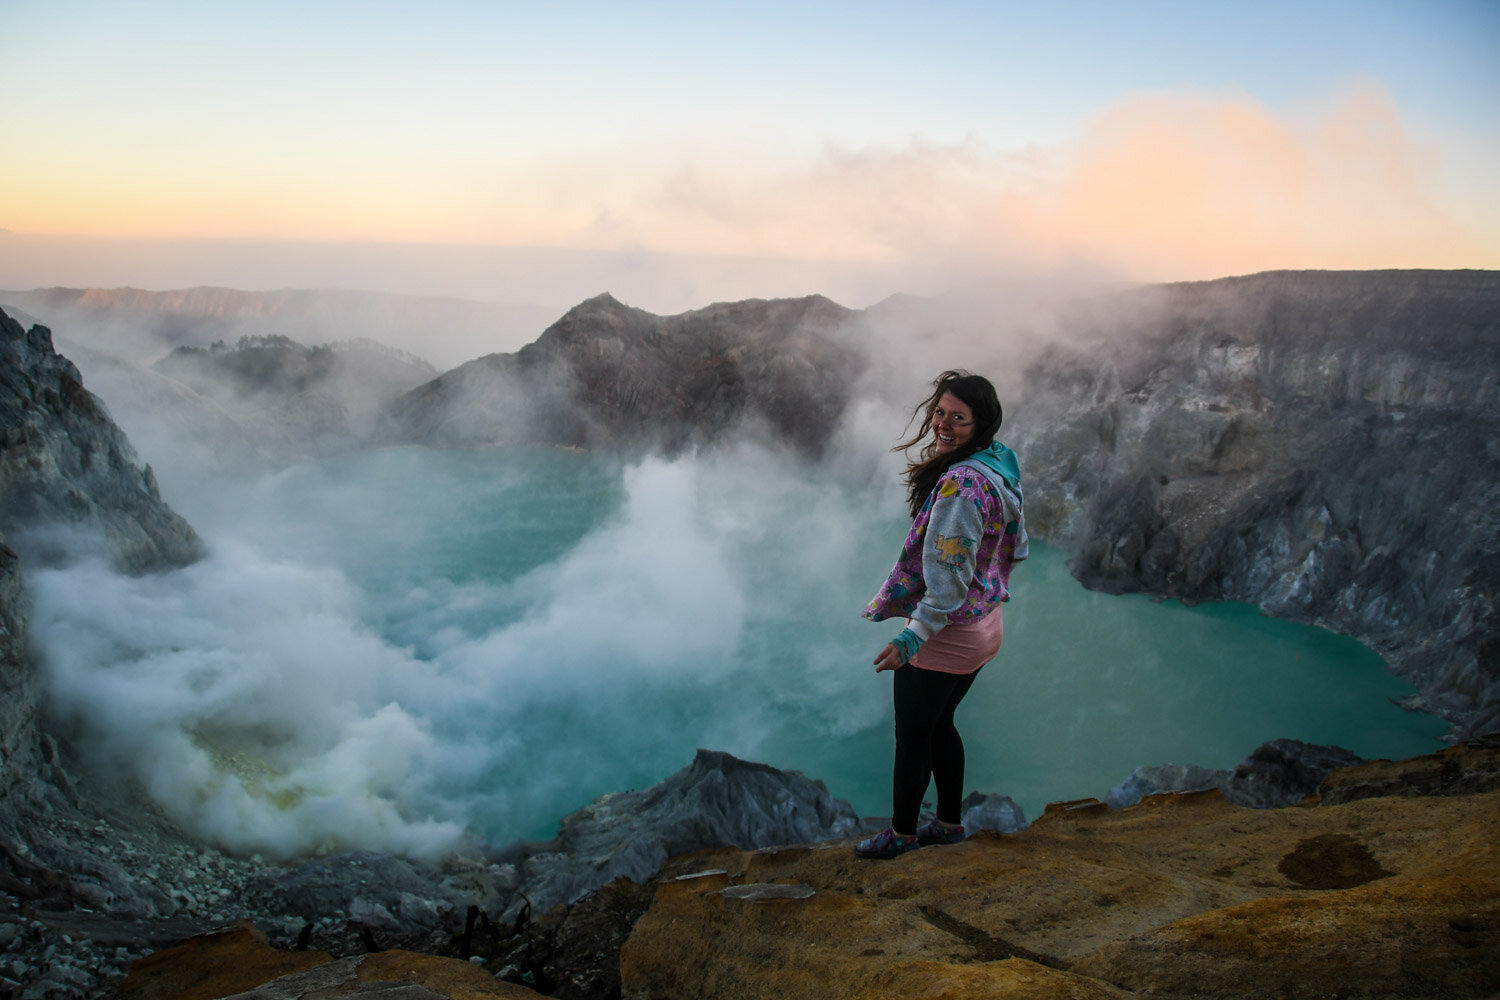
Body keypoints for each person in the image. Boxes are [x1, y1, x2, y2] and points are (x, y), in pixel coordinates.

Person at [856, 370, 1028, 860]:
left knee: (912, 738)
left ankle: (901, 834)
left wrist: (911, 639)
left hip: (947, 635)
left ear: (981, 424)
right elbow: (1007, 547)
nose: (944, 425)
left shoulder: (960, 487)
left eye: (958, 418)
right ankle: (950, 824)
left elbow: (948, 578)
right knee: (941, 724)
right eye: (940, 412)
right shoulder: (998, 463)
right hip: (984, 625)